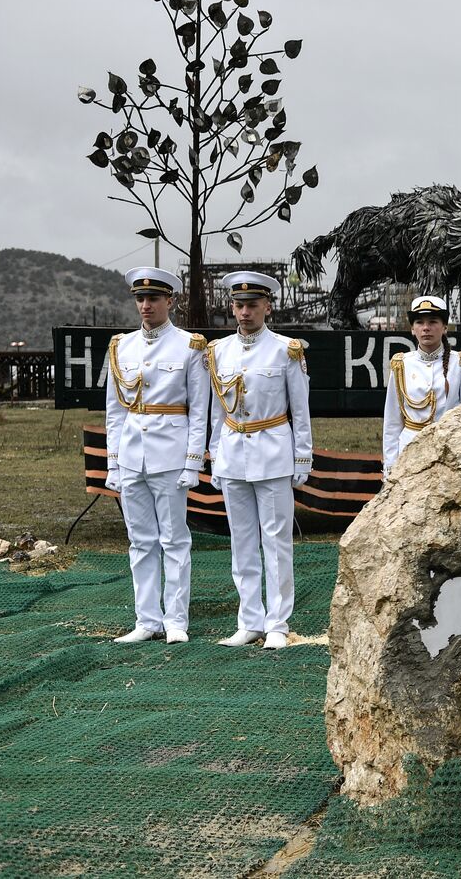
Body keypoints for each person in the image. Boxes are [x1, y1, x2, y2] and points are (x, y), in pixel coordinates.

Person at [206, 271, 312, 650]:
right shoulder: (218, 352)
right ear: (231, 307)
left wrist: (303, 456)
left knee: (277, 541)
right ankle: (249, 619)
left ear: (268, 306)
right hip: (234, 453)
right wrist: (215, 454)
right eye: (239, 305)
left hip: (272, 453)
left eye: (252, 305)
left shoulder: (286, 349)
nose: (245, 311)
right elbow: (218, 410)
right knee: (242, 541)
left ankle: (278, 623)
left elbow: (300, 409)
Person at [105, 267, 210, 644]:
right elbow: (115, 411)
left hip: (170, 454)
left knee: (174, 539)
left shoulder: (189, 346)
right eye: (140, 298)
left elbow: (200, 411)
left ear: (171, 300)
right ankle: (146, 619)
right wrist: (113, 463)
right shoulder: (122, 346)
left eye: (153, 298)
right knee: (140, 540)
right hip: (133, 455)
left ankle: (176, 620)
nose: (145, 305)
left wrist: (193, 462)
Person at [383, 295, 461, 475]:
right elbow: (392, 422)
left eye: (433, 322)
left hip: (449, 451)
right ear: (412, 329)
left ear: (444, 328)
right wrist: (390, 467)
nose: (426, 328)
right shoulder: (401, 364)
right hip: (409, 451)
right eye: (419, 322)